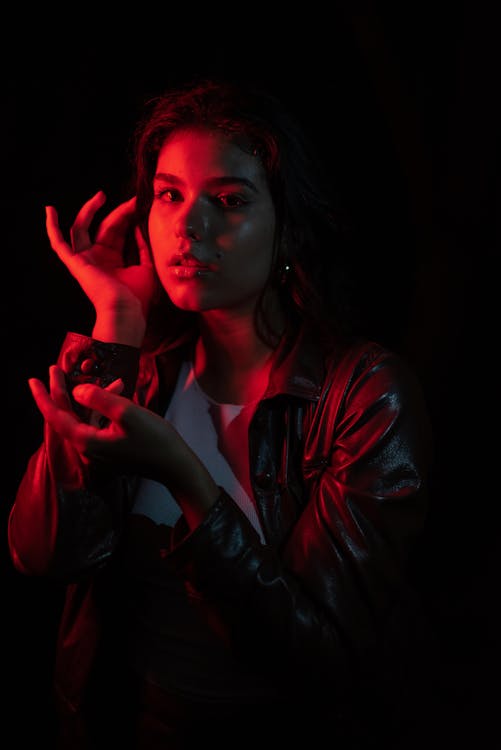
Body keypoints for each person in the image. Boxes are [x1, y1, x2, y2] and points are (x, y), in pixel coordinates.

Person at [8, 77, 437, 749]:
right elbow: (45, 555)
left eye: (228, 201)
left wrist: (185, 477)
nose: (188, 226)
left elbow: (315, 654)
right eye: (169, 194)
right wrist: (115, 322)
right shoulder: (142, 368)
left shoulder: (363, 392)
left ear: (287, 227)